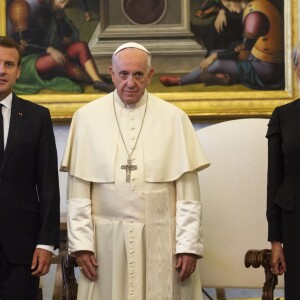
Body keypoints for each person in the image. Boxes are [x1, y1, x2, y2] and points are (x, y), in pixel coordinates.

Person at [61, 42, 210, 300]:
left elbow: (188, 194)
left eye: (138, 75)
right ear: (111, 73)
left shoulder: (174, 118)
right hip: (105, 241)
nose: (130, 83)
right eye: (123, 74)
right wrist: (82, 245)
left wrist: (187, 246)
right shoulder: (86, 118)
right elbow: (78, 192)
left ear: (149, 76)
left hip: (161, 234)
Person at [0, 36, 60, 299]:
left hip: (21, 246)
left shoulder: (37, 117)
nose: (1, 70)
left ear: (19, 71)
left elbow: (47, 184)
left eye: (9, 64)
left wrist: (46, 242)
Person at [160, 0, 284, 90]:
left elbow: (243, 52)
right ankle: (227, 77)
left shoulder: (254, 16)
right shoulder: (255, 5)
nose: (229, 9)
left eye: (228, 5)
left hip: (265, 70)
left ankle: (180, 81)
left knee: (216, 61)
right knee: (214, 53)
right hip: (256, 58)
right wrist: (222, 11)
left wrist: (215, 57)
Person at [7, 0, 113, 94]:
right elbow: (21, 44)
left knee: (81, 46)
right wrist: (49, 49)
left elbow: (68, 40)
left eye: (65, 5)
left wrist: (60, 19)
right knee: (61, 59)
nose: (62, 7)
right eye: (61, 2)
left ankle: (97, 81)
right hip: (28, 60)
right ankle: (93, 80)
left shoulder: (55, 11)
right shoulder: (23, 8)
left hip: (52, 53)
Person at [266, 44, 300, 299]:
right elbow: (274, 181)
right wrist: (275, 241)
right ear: (297, 70)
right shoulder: (283, 116)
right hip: (295, 220)